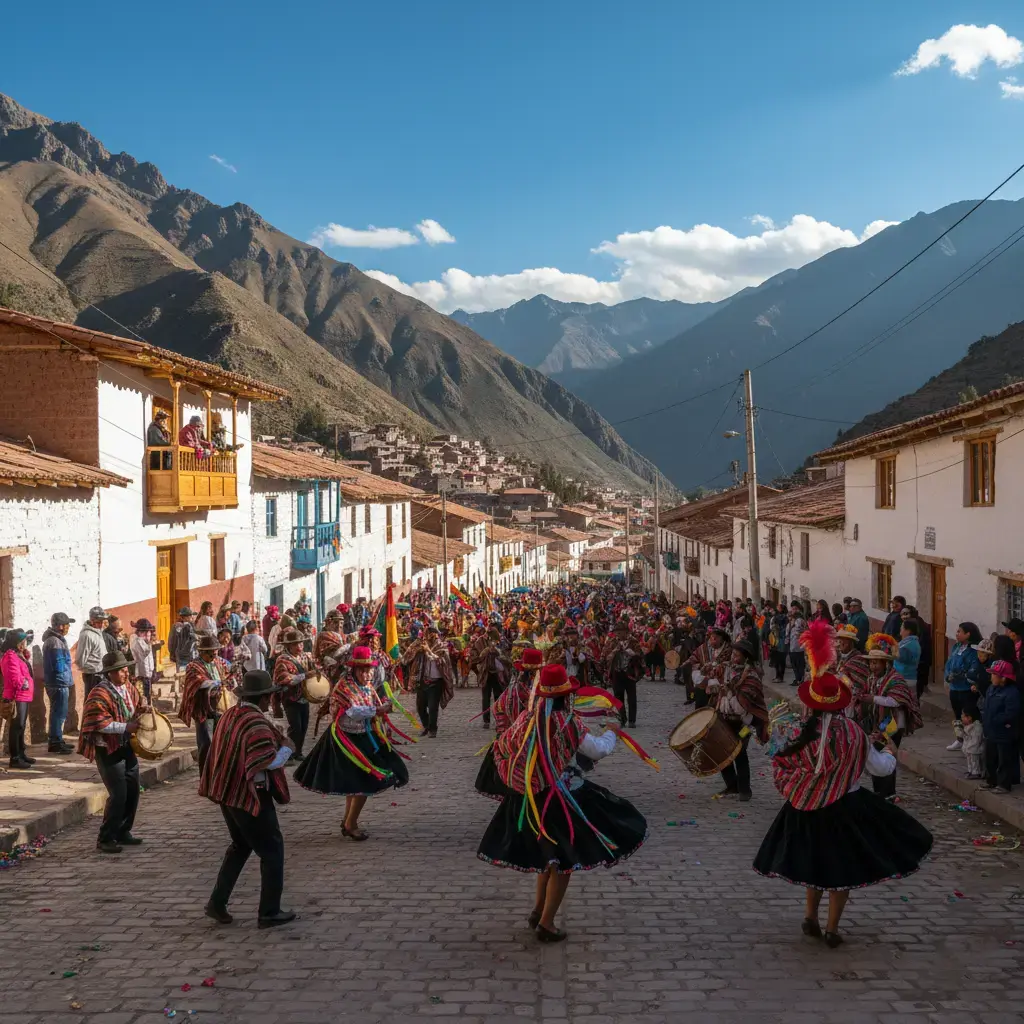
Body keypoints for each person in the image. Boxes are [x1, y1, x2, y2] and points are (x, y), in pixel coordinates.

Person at [753, 627, 933, 948]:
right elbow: (881, 768)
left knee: (815, 866)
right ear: (841, 703)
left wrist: (804, 786)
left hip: (806, 810)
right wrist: (891, 750)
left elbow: (782, 761)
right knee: (841, 871)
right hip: (845, 811)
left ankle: (810, 916)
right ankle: (833, 929)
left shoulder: (800, 734)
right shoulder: (855, 734)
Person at [477, 664, 647, 943]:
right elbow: (598, 750)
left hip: (530, 798)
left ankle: (538, 911)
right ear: (565, 696)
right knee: (564, 863)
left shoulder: (527, 718)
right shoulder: (567, 723)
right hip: (558, 800)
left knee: (550, 861)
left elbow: (503, 745)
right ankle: (546, 923)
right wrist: (612, 731)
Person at [199, 669, 296, 928]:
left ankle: (217, 903)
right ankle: (269, 912)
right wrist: (287, 747)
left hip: (227, 792)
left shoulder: (232, 714)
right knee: (272, 849)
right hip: (250, 793)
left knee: (241, 845)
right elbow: (266, 761)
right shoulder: (255, 723)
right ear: (264, 698)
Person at [294, 645, 409, 839]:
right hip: (347, 739)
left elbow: (370, 706)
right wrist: (378, 710)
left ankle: (348, 820)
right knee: (363, 782)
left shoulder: (367, 686)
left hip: (364, 736)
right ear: (354, 669)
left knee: (357, 783)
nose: (367, 673)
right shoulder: (344, 686)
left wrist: (382, 706)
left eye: (369, 669)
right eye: (362, 669)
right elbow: (353, 712)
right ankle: (351, 823)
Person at [77, 650, 149, 853]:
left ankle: (123, 831)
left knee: (133, 790)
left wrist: (142, 710)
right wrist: (125, 727)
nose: (126, 674)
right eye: (121, 671)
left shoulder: (129, 688)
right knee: (118, 794)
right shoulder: (99, 693)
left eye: (126, 670)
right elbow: (98, 723)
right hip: (108, 749)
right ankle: (105, 838)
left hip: (126, 746)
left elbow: (135, 708)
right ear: (110, 673)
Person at [476, 647, 544, 800]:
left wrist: (505, 732)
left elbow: (498, 708)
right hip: (531, 741)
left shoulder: (515, 688)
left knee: (516, 778)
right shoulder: (537, 689)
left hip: (513, 741)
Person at [862, 634, 923, 800]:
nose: (873, 666)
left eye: (876, 663)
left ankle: (888, 792)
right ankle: (879, 791)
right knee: (875, 755)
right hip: (877, 724)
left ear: (885, 663)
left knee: (887, 756)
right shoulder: (872, 678)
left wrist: (872, 699)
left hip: (893, 725)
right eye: (871, 662)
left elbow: (897, 701)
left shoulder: (895, 679)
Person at [710, 636, 768, 802]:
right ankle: (732, 785)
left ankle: (745, 790)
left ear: (745, 657)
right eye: (733, 654)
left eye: (737, 655)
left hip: (743, 723)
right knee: (722, 754)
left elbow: (743, 705)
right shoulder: (729, 670)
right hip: (726, 720)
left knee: (739, 753)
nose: (733, 657)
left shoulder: (752, 677)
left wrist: (729, 692)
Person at [181, 634, 234, 771]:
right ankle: (206, 777)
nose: (214, 656)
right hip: (204, 708)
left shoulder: (219, 662)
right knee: (207, 744)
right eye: (211, 653)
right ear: (203, 652)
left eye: (215, 652)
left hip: (221, 707)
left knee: (222, 743)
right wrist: (217, 682)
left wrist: (231, 677)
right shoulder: (193, 666)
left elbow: (229, 673)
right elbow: (200, 682)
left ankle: (220, 775)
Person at [272, 627, 315, 762]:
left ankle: (298, 751)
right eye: (296, 644)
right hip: (290, 698)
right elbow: (283, 679)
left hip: (304, 696)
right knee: (295, 727)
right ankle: (289, 752)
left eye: (301, 643)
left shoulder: (305, 657)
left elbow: (313, 670)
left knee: (304, 727)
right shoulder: (282, 660)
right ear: (288, 646)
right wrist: (304, 676)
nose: (299, 646)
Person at [403, 627, 454, 738]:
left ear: (436, 635)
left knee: (432, 707)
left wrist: (428, 651)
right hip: (422, 681)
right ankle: (426, 726)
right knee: (420, 707)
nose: (429, 637)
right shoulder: (420, 645)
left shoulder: (442, 647)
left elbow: (443, 662)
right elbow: (406, 658)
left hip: (436, 682)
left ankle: (433, 729)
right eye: (427, 635)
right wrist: (416, 650)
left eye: (432, 635)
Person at [944, 622, 986, 752]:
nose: (957, 634)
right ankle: (959, 739)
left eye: (959, 632)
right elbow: (949, 663)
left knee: (969, 716)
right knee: (958, 716)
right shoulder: (956, 647)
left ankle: (972, 740)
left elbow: (973, 667)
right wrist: (948, 676)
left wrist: (960, 674)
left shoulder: (973, 650)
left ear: (968, 634)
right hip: (954, 687)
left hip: (966, 689)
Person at [982, 660, 1021, 794]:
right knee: (990, 758)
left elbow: (1011, 712)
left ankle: (1004, 784)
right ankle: (991, 780)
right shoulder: (991, 689)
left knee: (1004, 759)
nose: (992, 677)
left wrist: (996, 720)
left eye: (994, 674)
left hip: (1004, 732)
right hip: (991, 731)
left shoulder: (1011, 693)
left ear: (1003, 678)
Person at [42, 612, 75, 753]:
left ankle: (58, 739)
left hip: (58, 682)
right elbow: (58, 665)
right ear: (61, 626)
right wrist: (64, 676)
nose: (68, 628)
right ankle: (55, 742)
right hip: (58, 683)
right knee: (58, 714)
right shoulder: (55, 642)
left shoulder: (56, 640)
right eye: (67, 625)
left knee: (58, 713)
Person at [2, 629, 36, 769]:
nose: (25, 644)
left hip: (24, 695)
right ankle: (15, 758)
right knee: (17, 727)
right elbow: (14, 677)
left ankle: (21, 754)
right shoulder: (10, 656)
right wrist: (24, 683)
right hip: (17, 695)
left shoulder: (19, 655)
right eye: (23, 641)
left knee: (21, 726)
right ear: (16, 643)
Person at [603, 623, 643, 727]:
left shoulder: (633, 641)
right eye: (617, 632)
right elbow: (605, 657)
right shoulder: (612, 642)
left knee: (632, 698)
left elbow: (640, 654)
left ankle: (632, 720)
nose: (619, 634)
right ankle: (622, 718)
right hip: (617, 673)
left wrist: (633, 654)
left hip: (629, 673)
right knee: (618, 698)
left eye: (621, 631)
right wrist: (614, 651)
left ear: (627, 632)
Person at [472, 627, 511, 729]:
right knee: (486, 698)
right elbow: (474, 658)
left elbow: (508, 657)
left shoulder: (501, 641)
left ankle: (499, 719)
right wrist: (484, 654)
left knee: (498, 697)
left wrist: (498, 652)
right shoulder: (479, 642)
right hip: (486, 674)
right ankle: (486, 721)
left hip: (498, 674)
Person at [75, 606, 109, 693]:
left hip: (101, 674)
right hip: (93, 676)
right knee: (92, 701)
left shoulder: (97, 632)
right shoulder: (87, 635)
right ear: (92, 621)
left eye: (102, 621)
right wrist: (93, 668)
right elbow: (80, 660)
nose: (101, 625)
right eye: (98, 622)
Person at [129, 618, 161, 703]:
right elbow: (144, 653)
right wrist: (150, 643)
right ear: (139, 632)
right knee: (142, 694)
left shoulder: (143, 641)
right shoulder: (137, 641)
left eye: (149, 632)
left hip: (147, 672)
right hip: (141, 672)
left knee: (147, 692)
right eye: (145, 632)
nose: (148, 634)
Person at [168, 607, 198, 673]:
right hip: (183, 659)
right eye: (190, 616)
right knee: (182, 678)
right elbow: (172, 642)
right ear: (184, 617)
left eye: (192, 615)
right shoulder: (177, 627)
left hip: (193, 657)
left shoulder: (192, 626)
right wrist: (173, 654)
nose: (192, 617)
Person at [961, 703, 985, 780]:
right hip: (969, 748)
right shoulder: (968, 726)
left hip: (975, 749)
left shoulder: (977, 727)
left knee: (975, 762)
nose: (962, 717)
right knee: (970, 761)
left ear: (970, 717)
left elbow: (976, 740)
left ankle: (976, 773)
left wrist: (969, 748)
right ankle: (970, 771)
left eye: (963, 715)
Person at [894, 619, 921, 685]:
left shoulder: (909, 645)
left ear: (908, 631)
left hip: (905, 678)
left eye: (902, 626)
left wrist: (891, 649)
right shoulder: (910, 642)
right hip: (905, 677)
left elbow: (901, 657)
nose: (900, 628)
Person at [787, 602, 808, 687]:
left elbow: (803, 631)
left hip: (799, 646)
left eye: (795, 609)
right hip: (792, 645)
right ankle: (797, 678)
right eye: (792, 608)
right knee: (794, 663)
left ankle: (801, 679)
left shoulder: (800, 620)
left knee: (799, 663)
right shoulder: (791, 620)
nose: (793, 610)